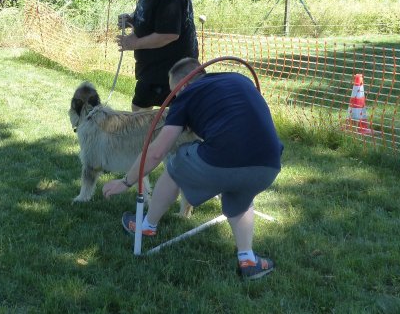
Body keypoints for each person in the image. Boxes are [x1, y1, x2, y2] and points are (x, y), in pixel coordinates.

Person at [103, 58, 284, 280]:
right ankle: (248, 260)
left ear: (184, 85)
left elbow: (157, 151)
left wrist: (125, 182)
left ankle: (146, 226)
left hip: (222, 161)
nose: (175, 98)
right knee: (240, 193)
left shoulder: (187, 95)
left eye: (174, 92)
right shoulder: (238, 79)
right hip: (267, 165)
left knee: (177, 162)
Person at [117, 0, 199, 111]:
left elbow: (168, 34)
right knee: (141, 113)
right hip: (155, 69)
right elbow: (153, 19)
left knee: (149, 116)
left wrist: (133, 43)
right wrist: (132, 20)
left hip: (170, 72)